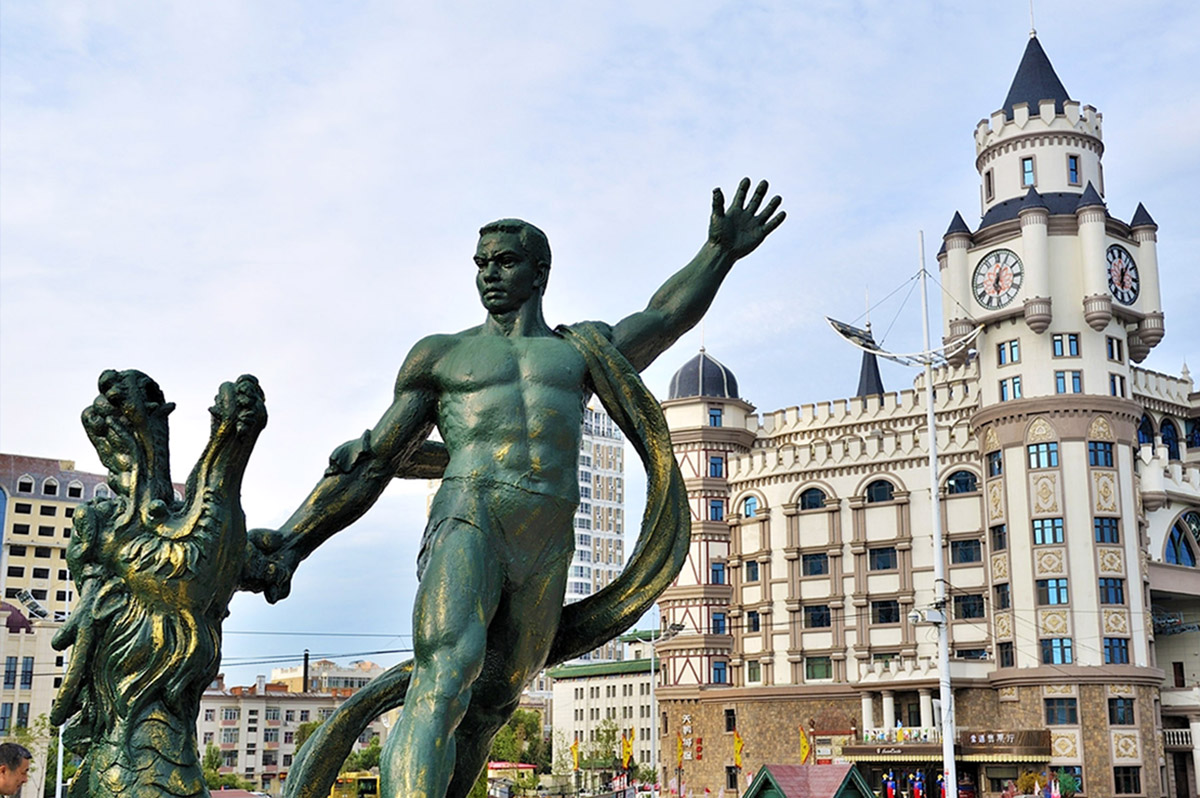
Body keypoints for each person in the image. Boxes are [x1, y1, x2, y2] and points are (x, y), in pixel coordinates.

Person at [253, 179, 784, 798]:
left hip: (548, 542)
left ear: (540, 272)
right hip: (469, 515)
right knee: (445, 673)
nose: (489, 274)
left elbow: (664, 317)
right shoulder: (441, 357)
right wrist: (293, 542)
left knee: (494, 701)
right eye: (481, 263)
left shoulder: (578, 353)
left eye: (504, 262)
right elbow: (371, 462)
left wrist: (717, 252)